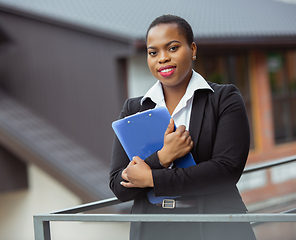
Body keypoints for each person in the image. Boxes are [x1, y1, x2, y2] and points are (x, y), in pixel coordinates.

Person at [109, 14, 256, 240]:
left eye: (173, 47)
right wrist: (162, 157)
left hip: (216, 226)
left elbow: (226, 170)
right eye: (153, 52)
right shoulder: (134, 108)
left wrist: (152, 179)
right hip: (153, 228)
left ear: (193, 49)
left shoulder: (224, 99)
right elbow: (119, 185)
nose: (163, 58)